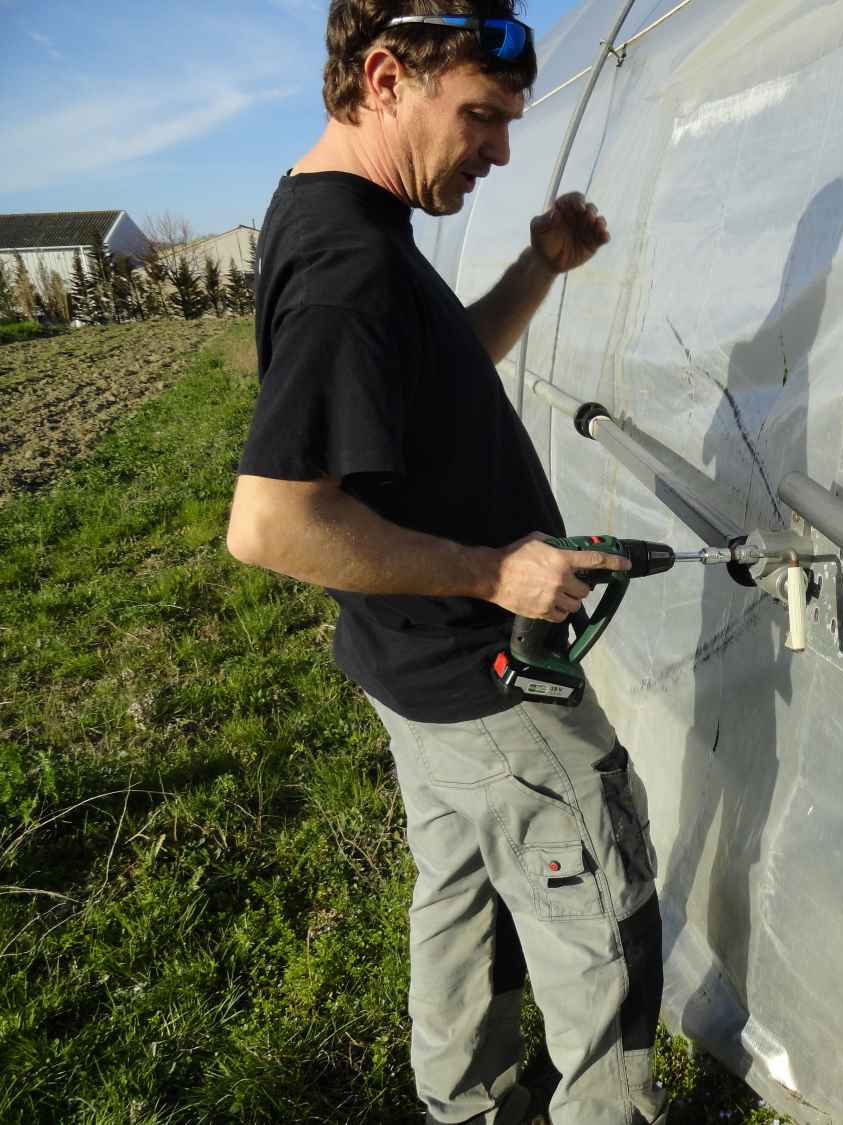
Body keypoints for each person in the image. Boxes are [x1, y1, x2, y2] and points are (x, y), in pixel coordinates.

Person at [225, 3, 667, 1123]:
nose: (501, 148)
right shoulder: (345, 264)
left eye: (510, 119)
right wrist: (492, 574)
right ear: (384, 77)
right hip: (486, 678)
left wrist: (540, 265)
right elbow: (271, 525)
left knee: (461, 901)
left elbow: (439, 369)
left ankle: (464, 1105)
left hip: (413, 676)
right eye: (480, 115)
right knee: (602, 925)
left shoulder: (341, 215)